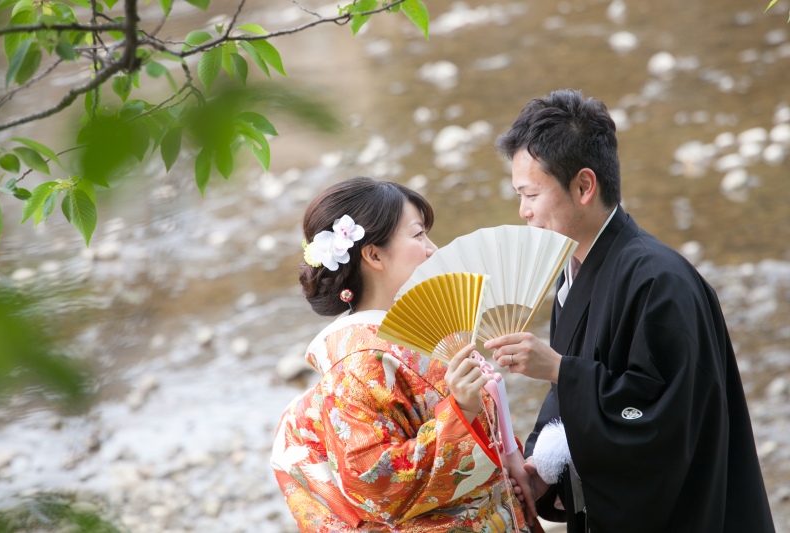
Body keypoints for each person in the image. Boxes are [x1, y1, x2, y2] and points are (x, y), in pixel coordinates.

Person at [485, 90, 775, 532]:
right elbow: (570, 403)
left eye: (530, 194)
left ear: (584, 186)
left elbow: (664, 422)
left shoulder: (662, 281)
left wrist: (562, 369)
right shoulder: (572, 272)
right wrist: (544, 467)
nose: (522, 212)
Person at [271, 177, 532, 533]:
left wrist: (509, 458)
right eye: (418, 234)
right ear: (374, 255)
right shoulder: (357, 363)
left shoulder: (418, 335)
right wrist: (461, 411)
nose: (432, 248)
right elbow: (377, 485)